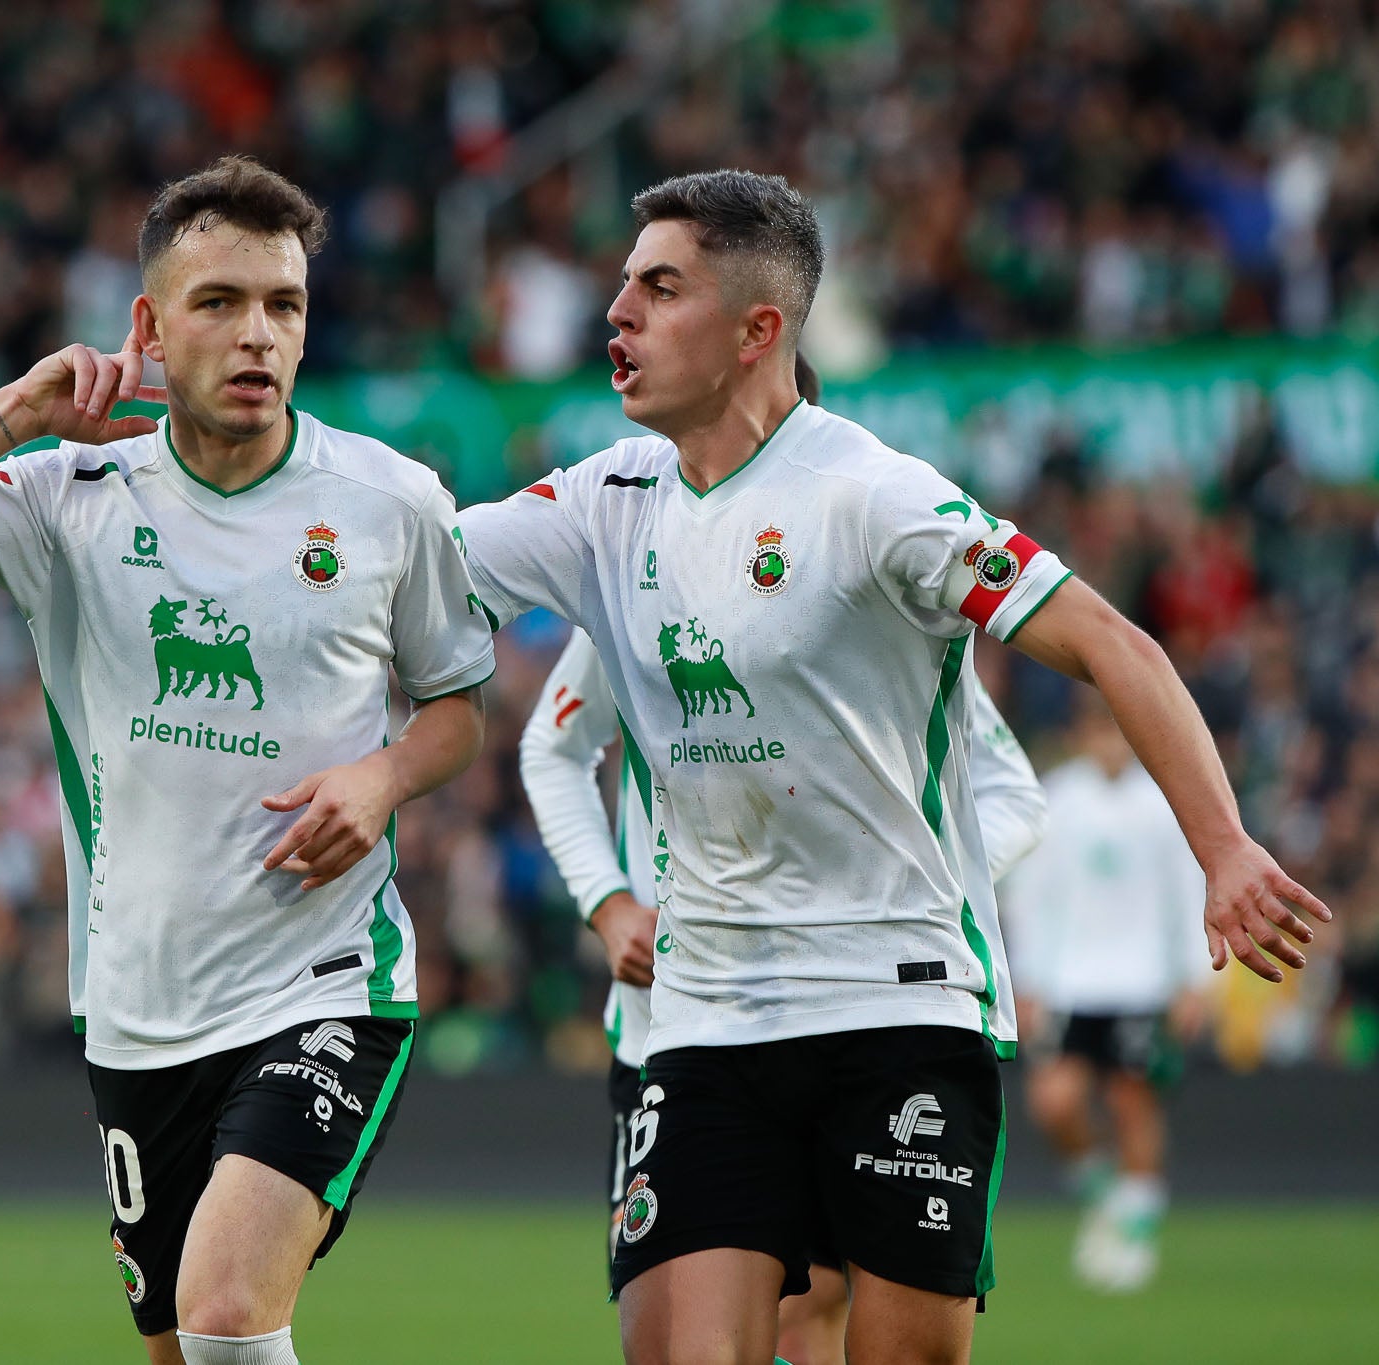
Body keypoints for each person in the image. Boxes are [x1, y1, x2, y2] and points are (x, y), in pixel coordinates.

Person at [457, 169, 1328, 1365]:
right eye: (622, 286)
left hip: (895, 1004)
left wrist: (1220, 848)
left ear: (757, 329)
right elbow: (396, 566)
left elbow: (1112, 644)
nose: (616, 312)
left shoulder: (873, 497)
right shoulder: (601, 505)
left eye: (658, 287)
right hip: (706, 1016)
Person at [0, 156, 493, 1365]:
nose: (257, 333)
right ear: (149, 328)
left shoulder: (391, 502)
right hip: (135, 1008)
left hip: (322, 983)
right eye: (218, 302)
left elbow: (456, 710)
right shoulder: (66, 495)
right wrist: (12, 414)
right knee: (180, 1349)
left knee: (225, 1311)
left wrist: (380, 779)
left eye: (282, 305)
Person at [520, 609, 1047, 1365]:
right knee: (666, 1341)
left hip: (847, 1018)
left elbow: (1012, 793)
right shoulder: (629, 573)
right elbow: (554, 742)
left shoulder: (859, 584)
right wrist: (607, 902)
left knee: (805, 1318)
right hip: (674, 1026)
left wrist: (886, 892)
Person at [1003, 698, 1211, 1293]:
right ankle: (1105, 1198)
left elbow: (1189, 888)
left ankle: (1136, 1233)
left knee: (1130, 1103)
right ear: (1079, 735)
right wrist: (1027, 980)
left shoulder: (1163, 801)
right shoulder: (1059, 799)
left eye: (1119, 733)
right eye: (1099, 732)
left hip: (1141, 980)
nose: (1110, 745)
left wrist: (1193, 979)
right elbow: (1030, 896)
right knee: (1055, 1102)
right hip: (1070, 981)